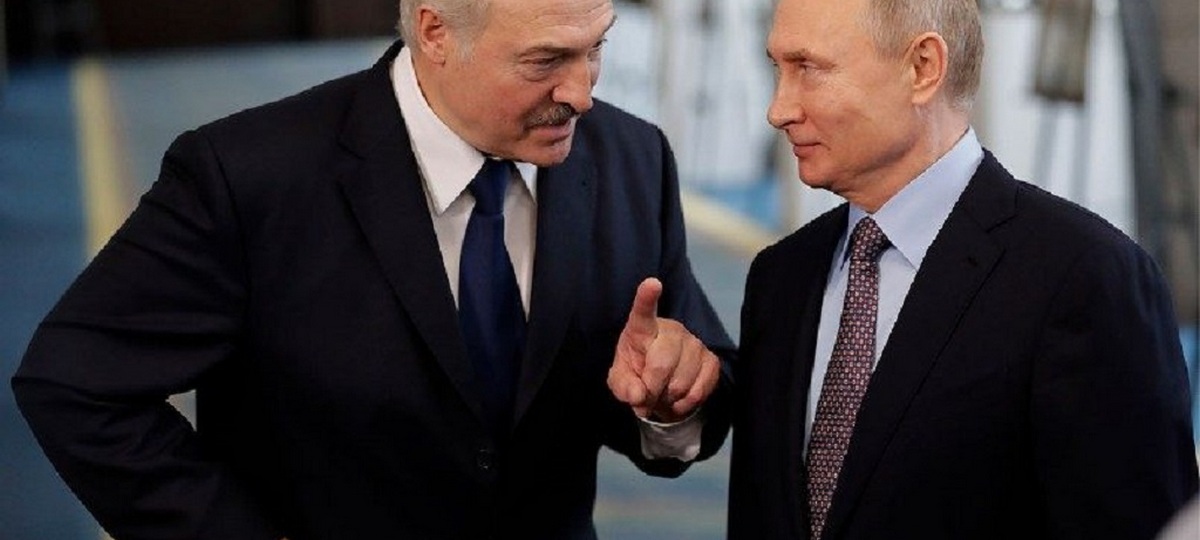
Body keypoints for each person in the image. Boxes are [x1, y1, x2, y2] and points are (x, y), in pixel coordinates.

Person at [11, 0, 735, 538]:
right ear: (435, 32)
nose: (582, 92)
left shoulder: (632, 159)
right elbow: (73, 381)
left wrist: (670, 402)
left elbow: (689, 383)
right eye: (545, 61)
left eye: (597, 47)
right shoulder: (248, 176)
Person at [728, 0, 1199, 539]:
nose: (779, 109)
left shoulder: (1086, 278)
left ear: (923, 67)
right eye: (777, 69)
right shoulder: (779, 279)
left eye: (808, 69)